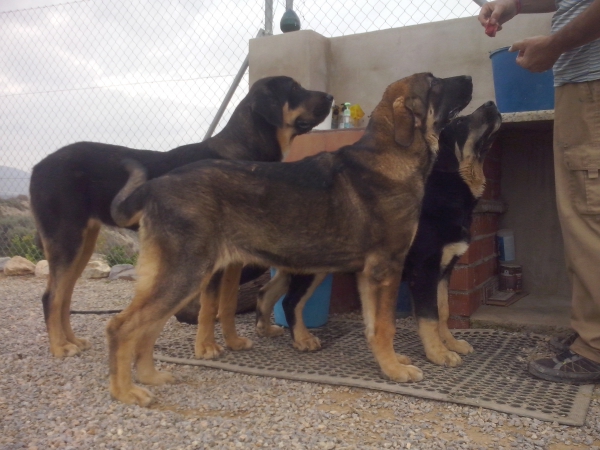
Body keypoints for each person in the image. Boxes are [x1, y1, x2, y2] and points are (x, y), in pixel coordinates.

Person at [479, 0, 600, 384]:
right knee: (583, 211)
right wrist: (514, 5)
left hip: (592, 83)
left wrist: (556, 44)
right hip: (582, 83)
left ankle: (597, 346)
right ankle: (590, 332)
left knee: (590, 213)